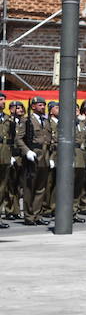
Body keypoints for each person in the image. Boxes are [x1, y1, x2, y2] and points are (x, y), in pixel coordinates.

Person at [15, 96, 52, 226]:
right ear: (33, 106)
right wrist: (27, 151)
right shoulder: (27, 120)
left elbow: (50, 139)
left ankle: (37, 214)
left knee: (41, 188)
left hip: (45, 157)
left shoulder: (46, 121)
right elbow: (18, 139)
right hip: (33, 156)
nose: (43, 107)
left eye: (44, 105)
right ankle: (29, 216)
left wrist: (51, 157)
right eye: (40, 105)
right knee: (29, 187)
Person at [0, 93, 10, 228]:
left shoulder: (7, 118)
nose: (3, 102)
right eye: (1, 99)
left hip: (5, 154)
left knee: (2, 188)